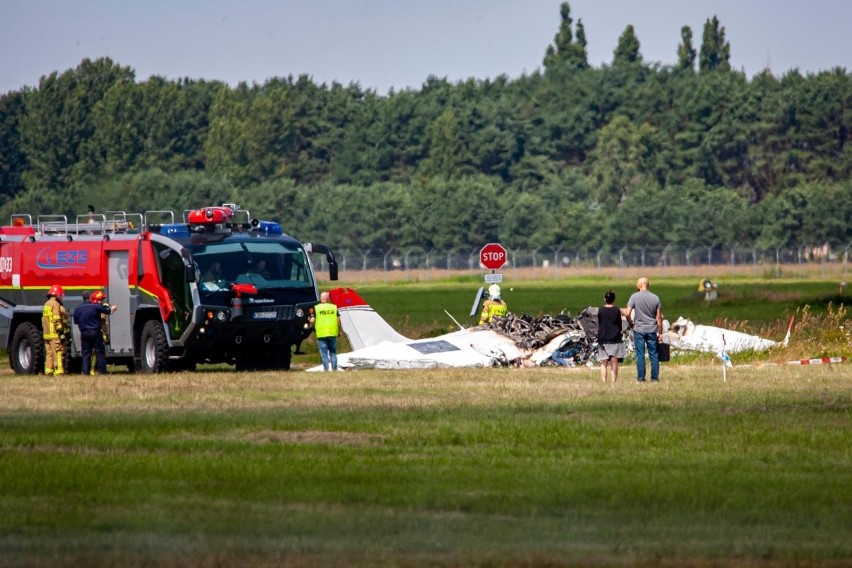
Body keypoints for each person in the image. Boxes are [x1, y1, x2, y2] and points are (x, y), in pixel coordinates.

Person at [624, 277, 663, 383]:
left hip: (639, 329)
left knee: (640, 354)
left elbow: (627, 313)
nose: (636, 285)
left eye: (637, 283)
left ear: (640, 285)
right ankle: (654, 378)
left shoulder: (634, 297)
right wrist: (660, 332)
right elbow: (658, 317)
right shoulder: (655, 298)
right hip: (651, 329)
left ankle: (641, 378)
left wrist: (631, 323)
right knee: (654, 354)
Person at [73, 291, 118, 375]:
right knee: (99, 353)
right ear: (90, 297)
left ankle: (85, 373)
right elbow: (108, 311)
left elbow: (75, 322)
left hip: (84, 333)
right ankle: (102, 372)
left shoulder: (77, 309)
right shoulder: (95, 306)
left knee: (86, 354)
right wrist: (113, 308)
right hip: (95, 332)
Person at [598, 289, 629, 383]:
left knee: (604, 362)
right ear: (614, 299)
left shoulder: (600, 309)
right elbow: (619, 324)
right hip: (614, 337)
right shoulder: (616, 310)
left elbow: (600, 322)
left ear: (605, 299)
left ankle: (603, 382)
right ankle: (613, 382)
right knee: (614, 361)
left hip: (602, 337)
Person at [309, 291, 341, 371]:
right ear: (328, 299)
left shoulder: (316, 307)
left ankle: (326, 370)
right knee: (333, 352)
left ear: (321, 298)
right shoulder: (333, 307)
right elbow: (338, 320)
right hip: (332, 332)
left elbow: (312, 321)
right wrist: (339, 331)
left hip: (321, 333)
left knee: (324, 353)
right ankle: (334, 369)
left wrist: (311, 325)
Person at [42, 284, 68, 376]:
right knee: (58, 352)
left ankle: (48, 371)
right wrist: (61, 332)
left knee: (49, 353)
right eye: (61, 295)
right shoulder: (55, 304)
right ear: (57, 295)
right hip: (54, 334)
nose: (62, 297)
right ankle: (58, 371)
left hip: (46, 334)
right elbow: (56, 319)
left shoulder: (46, 304)